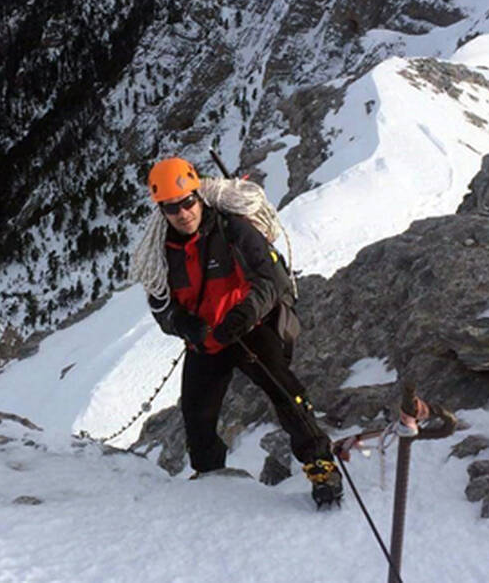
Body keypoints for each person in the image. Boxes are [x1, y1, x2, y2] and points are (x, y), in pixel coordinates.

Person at [142, 156, 343, 508]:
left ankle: (320, 464)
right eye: (172, 208)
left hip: (248, 328)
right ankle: (209, 477)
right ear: (162, 210)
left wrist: (243, 315)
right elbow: (161, 305)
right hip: (206, 339)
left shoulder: (233, 230)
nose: (183, 212)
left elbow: (272, 279)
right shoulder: (161, 253)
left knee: (284, 389)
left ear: (199, 196)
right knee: (196, 413)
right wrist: (181, 324)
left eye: (188, 201)